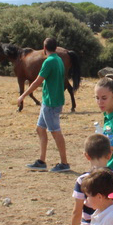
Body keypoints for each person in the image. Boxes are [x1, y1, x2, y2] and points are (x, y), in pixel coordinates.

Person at [18, 37, 70, 172]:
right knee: (40, 129)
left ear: (44, 48)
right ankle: (41, 161)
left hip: (51, 102)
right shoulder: (58, 60)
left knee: (55, 132)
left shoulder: (49, 61)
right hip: (50, 100)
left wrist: (23, 95)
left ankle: (64, 163)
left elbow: (37, 82)